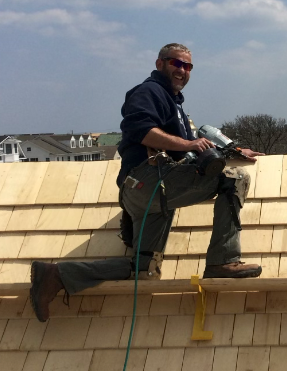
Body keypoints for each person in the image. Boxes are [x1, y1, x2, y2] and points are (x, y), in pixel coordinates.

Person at [30, 43, 264, 323]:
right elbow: (142, 130)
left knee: (143, 270)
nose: (182, 70)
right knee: (233, 179)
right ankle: (223, 261)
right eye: (176, 63)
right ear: (160, 63)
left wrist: (233, 153)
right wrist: (191, 143)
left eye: (187, 66)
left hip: (149, 193)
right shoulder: (148, 92)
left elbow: (188, 150)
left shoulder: (173, 102)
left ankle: (56, 275)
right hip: (149, 180)